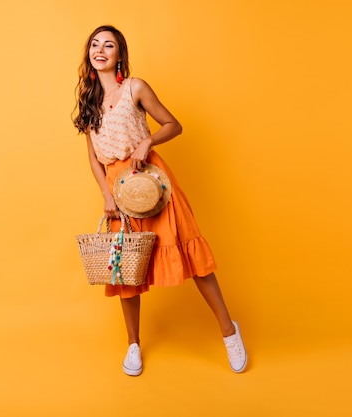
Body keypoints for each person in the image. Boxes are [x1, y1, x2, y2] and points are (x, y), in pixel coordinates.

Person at [72, 25, 247, 376]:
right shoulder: (88, 101)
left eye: (109, 45)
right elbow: (93, 157)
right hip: (117, 189)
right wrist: (105, 194)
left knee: (190, 251)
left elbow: (173, 124)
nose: (100, 50)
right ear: (89, 54)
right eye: (95, 44)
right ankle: (133, 344)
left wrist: (147, 142)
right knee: (124, 267)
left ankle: (229, 331)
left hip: (152, 181)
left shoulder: (135, 87)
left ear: (120, 55)